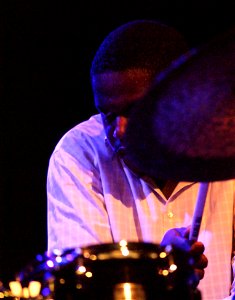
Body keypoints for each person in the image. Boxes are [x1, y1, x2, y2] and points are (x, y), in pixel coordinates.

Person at [46, 20, 235, 299]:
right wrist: (154, 273)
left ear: (177, 99)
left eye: (135, 110)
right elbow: (83, 294)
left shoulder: (228, 141)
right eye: (108, 114)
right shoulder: (78, 155)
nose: (119, 130)